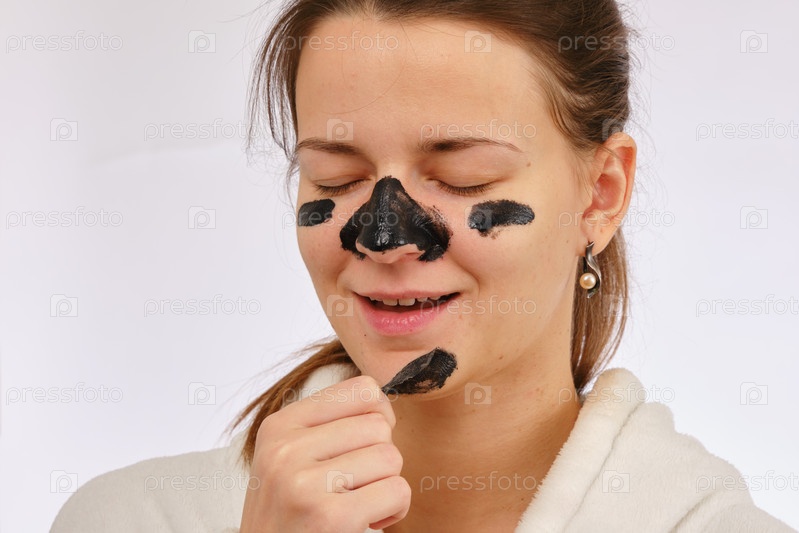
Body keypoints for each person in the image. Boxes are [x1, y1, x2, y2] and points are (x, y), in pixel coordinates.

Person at [51, 0, 795, 532]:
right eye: (336, 179)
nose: (383, 237)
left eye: (464, 177)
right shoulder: (129, 518)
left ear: (600, 195)